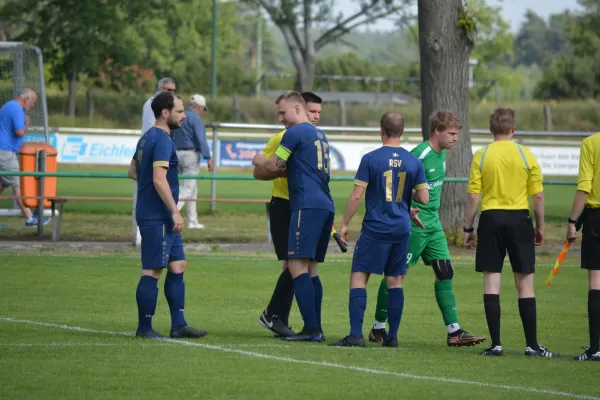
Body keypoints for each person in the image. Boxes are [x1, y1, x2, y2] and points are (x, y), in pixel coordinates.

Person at [368, 111, 486, 347]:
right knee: (397, 274)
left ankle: (454, 331)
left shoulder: (442, 154)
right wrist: (407, 209)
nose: (455, 139)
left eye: (456, 134)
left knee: (445, 271)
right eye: (451, 134)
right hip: (414, 224)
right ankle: (378, 327)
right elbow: (397, 183)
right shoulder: (419, 154)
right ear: (437, 131)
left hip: (433, 225)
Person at [463, 107, 558, 358]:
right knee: (525, 284)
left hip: (491, 219)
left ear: (490, 129)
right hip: (519, 219)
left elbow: (474, 196)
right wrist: (540, 226)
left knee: (491, 282)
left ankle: (496, 345)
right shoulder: (526, 154)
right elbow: (537, 195)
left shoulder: (482, 155)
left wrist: (468, 228)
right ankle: (532, 345)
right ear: (514, 129)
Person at [328, 112, 429, 348]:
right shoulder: (413, 161)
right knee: (395, 281)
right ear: (401, 132)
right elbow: (423, 197)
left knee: (359, 278)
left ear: (381, 130)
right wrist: (403, 197)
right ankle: (392, 337)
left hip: (375, 228)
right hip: (401, 228)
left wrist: (344, 225)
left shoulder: (371, 159)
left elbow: (356, 195)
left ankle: (355, 335)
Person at [252, 90, 334, 342]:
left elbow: (276, 165)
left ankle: (310, 328)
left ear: (297, 109)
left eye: (282, 112)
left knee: (296, 266)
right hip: (325, 205)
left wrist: (257, 159)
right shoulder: (320, 134)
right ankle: (316, 327)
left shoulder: (295, 133)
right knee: (311, 270)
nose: (280, 119)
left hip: (306, 205)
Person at [128, 91, 206, 339]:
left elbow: (132, 170)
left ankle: (179, 325)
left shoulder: (147, 137)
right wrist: (174, 211)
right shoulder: (161, 139)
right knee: (152, 270)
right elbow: (159, 178)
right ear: (165, 113)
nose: (184, 115)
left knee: (178, 265)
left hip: (158, 214)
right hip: (158, 216)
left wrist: (150, 189)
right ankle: (144, 328)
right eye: (180, 111)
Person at [565, 132, 600, 361]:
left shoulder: (591, 143)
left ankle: (595, 348)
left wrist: (572, 221)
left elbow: (585, 186)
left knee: (596, 282)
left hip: (596, 218)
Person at [135, 77, 177, 246]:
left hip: (150, 147)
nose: (172, 93)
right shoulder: (154, 105)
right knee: (153, 190)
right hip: (152, 150)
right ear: (160, 89)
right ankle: (141, 234)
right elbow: (154, 126)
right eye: (168, 90)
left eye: (173, 90)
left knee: (177, 265)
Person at [0, 88, 48, 227]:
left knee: (2, 185)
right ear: (26, 99)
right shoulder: (16, 109)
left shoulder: (8, 106)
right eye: (33, 102)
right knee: (18, 185)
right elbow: (20, 132)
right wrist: (27, 123)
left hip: (2, 151)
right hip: (5, 152)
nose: (32, 106)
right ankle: (30, 218)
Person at [172, 94, 213, 229]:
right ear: (197, 107)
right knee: (188, 188)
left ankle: (193, 221)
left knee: (192, 189)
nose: (202, 112)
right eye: (202, 109)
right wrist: (208, 157)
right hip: (190, 155)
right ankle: (171, 213)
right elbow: (201, 139)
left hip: (175, 153)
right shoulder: (196, 118)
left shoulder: (178, 114)